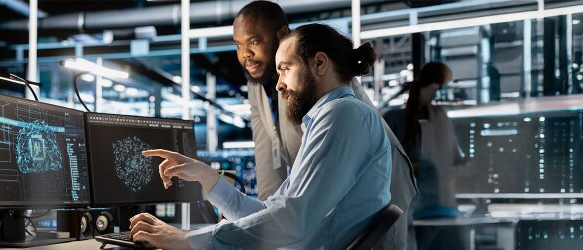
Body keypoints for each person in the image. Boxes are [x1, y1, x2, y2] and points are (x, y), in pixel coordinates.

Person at [129, 23, 392, 249]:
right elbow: (270, 214)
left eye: (285, 69)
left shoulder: (343, 114)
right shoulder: (331, 118)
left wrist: (187, 239)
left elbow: (290, 221)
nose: (279, 84)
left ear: (319, 63)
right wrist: (206, 177)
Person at [234, 2, 417, 249]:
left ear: (282, 35)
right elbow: (268, 157)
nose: (245, 54)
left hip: (380, 181)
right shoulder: (257, 89)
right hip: (330, 191)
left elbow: (333, 139)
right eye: (238, 45)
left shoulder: (315, 78)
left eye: (254, 41)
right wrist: (267, 224)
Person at [383, 62, 467, 220]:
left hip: (439, 203)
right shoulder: (396, 119)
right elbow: (388, 165)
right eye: (439, 88)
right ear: (433, 87)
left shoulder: (438, 116)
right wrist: (419, 166)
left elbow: (455, 159)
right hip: (415, 205)